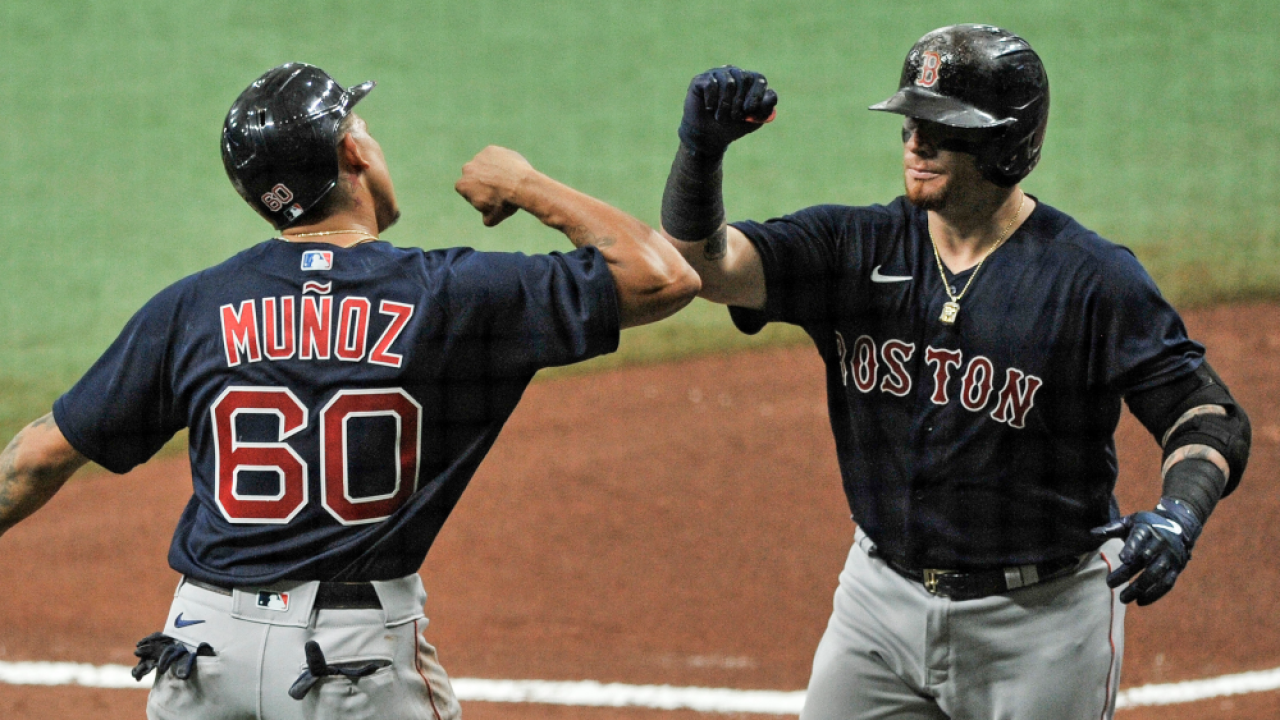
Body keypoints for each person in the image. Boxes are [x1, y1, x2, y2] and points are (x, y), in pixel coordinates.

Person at [0, 62, 699, 720]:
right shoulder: (452, 296)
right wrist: (524, 184)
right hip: (351, 663)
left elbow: (37, 457)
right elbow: (662, 275)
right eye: (361, 127)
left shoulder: (193, 307)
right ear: (353, 154)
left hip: (203, 653)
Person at [659, 25, 1250, 720]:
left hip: (1040, 624)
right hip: (878, 605)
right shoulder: (852, 247)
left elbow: (1206, 414)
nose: (917, 142)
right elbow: (702, 267)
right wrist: (700, 155)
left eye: (944, 128)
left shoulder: (1090, 280)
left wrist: (1181, 515)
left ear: (1007, 143)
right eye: (912, 122)